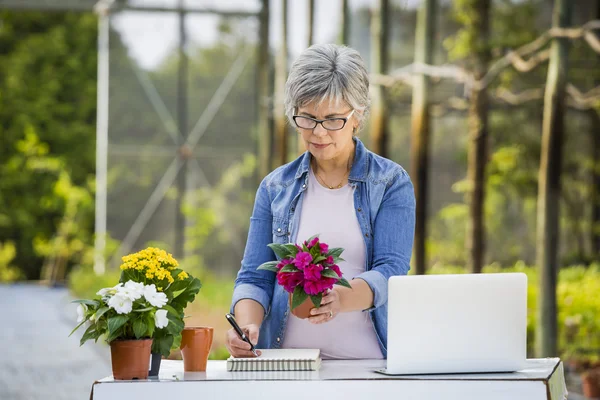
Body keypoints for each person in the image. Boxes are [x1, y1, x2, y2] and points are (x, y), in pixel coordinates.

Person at [226, 44, 415, 359]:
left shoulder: (390, 183)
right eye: (307, 118)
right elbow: (254, 277)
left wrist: (340, 298)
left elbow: (391, 271)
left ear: (358, 116)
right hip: (287, 366)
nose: (318, 132)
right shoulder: (275, 187)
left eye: (332, 120)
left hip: (366, 366)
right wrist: (246, 326)